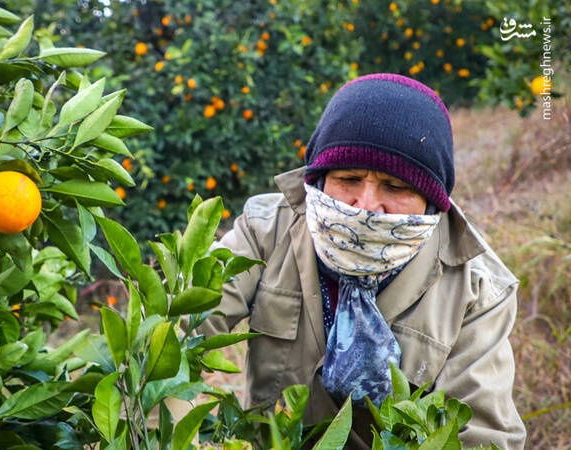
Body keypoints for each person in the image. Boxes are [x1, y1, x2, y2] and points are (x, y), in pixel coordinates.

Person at [198, 73, 526, 449]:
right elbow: (181, 326)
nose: (366, 205)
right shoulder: (266, 231)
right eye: (349, 178)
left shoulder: (478, 291)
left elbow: (481, 436)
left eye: (396, 187)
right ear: (319, 181)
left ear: (432, 202)